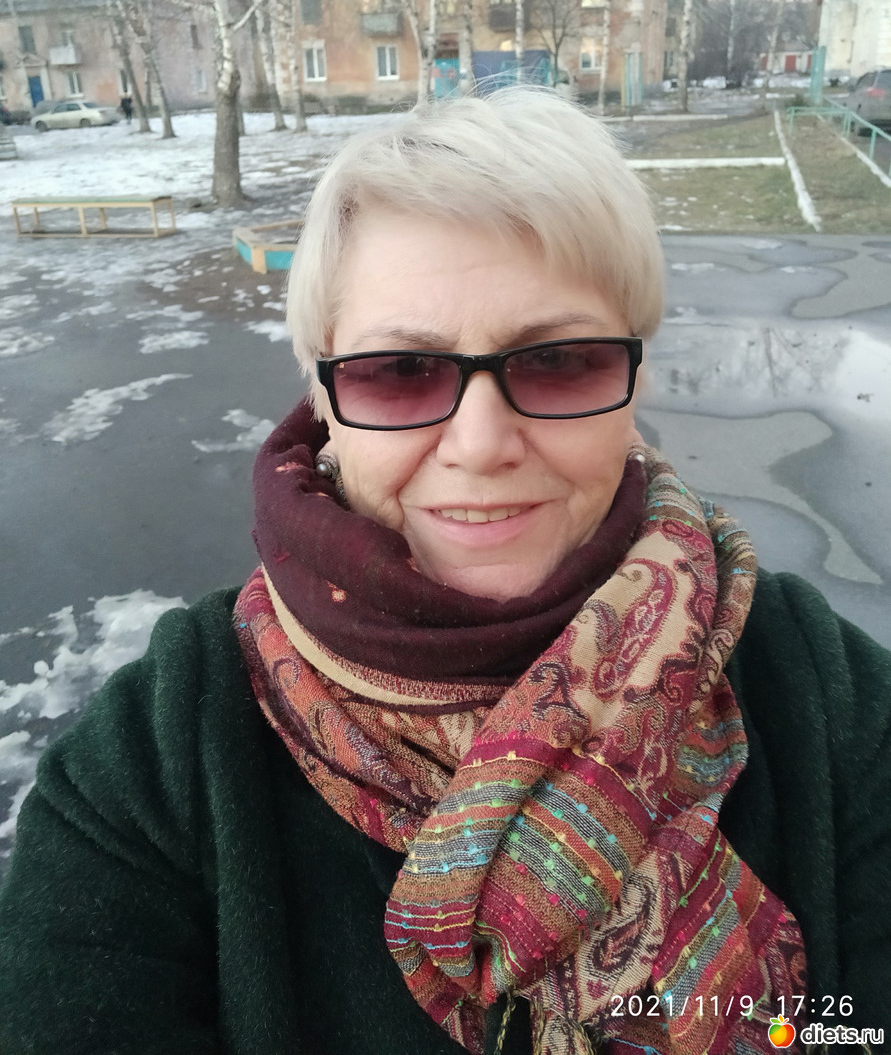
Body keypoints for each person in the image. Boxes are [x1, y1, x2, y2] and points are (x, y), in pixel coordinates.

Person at [0, 87, 888, 1055]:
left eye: (559, 361)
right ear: (323, 399)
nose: (480, 444)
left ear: (633, 380)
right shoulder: (150, 769)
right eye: (400, 372)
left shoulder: (823, 695)